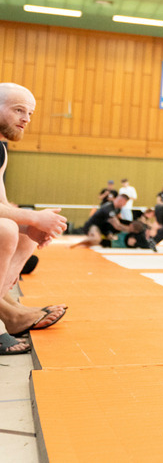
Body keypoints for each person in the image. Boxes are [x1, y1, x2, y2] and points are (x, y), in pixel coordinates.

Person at [0, 84, 69, 354]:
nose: (26, 118)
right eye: (19, 110)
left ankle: (7, 304)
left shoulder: (1, 151)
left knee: (25, 233)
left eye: (30, 113)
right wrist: (30, 217)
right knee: (6, 230)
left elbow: (3, 205)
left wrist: (32, 225)